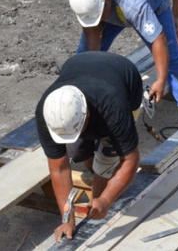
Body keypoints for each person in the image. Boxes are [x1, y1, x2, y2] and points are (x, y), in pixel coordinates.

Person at [68, 0, 178, 116]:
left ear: (107, 0)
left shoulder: (134, 4)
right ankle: (77, 100)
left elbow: (159, 40)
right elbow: (92, 36)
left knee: (170, 56)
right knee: (84, 57)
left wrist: (160, 80)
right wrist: (91, 77)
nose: (98, 23)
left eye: (99, 17)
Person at [35, 51, 142, 241]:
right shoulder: (48, 111)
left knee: (106, 163)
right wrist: (67, 219)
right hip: (80, 65)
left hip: (124, 76)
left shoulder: (114, 109)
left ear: (87, 116)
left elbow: (130, 159)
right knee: (76, 151)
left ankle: (98, 201)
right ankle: (95, 184)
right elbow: (59, 168)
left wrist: (105, 199)